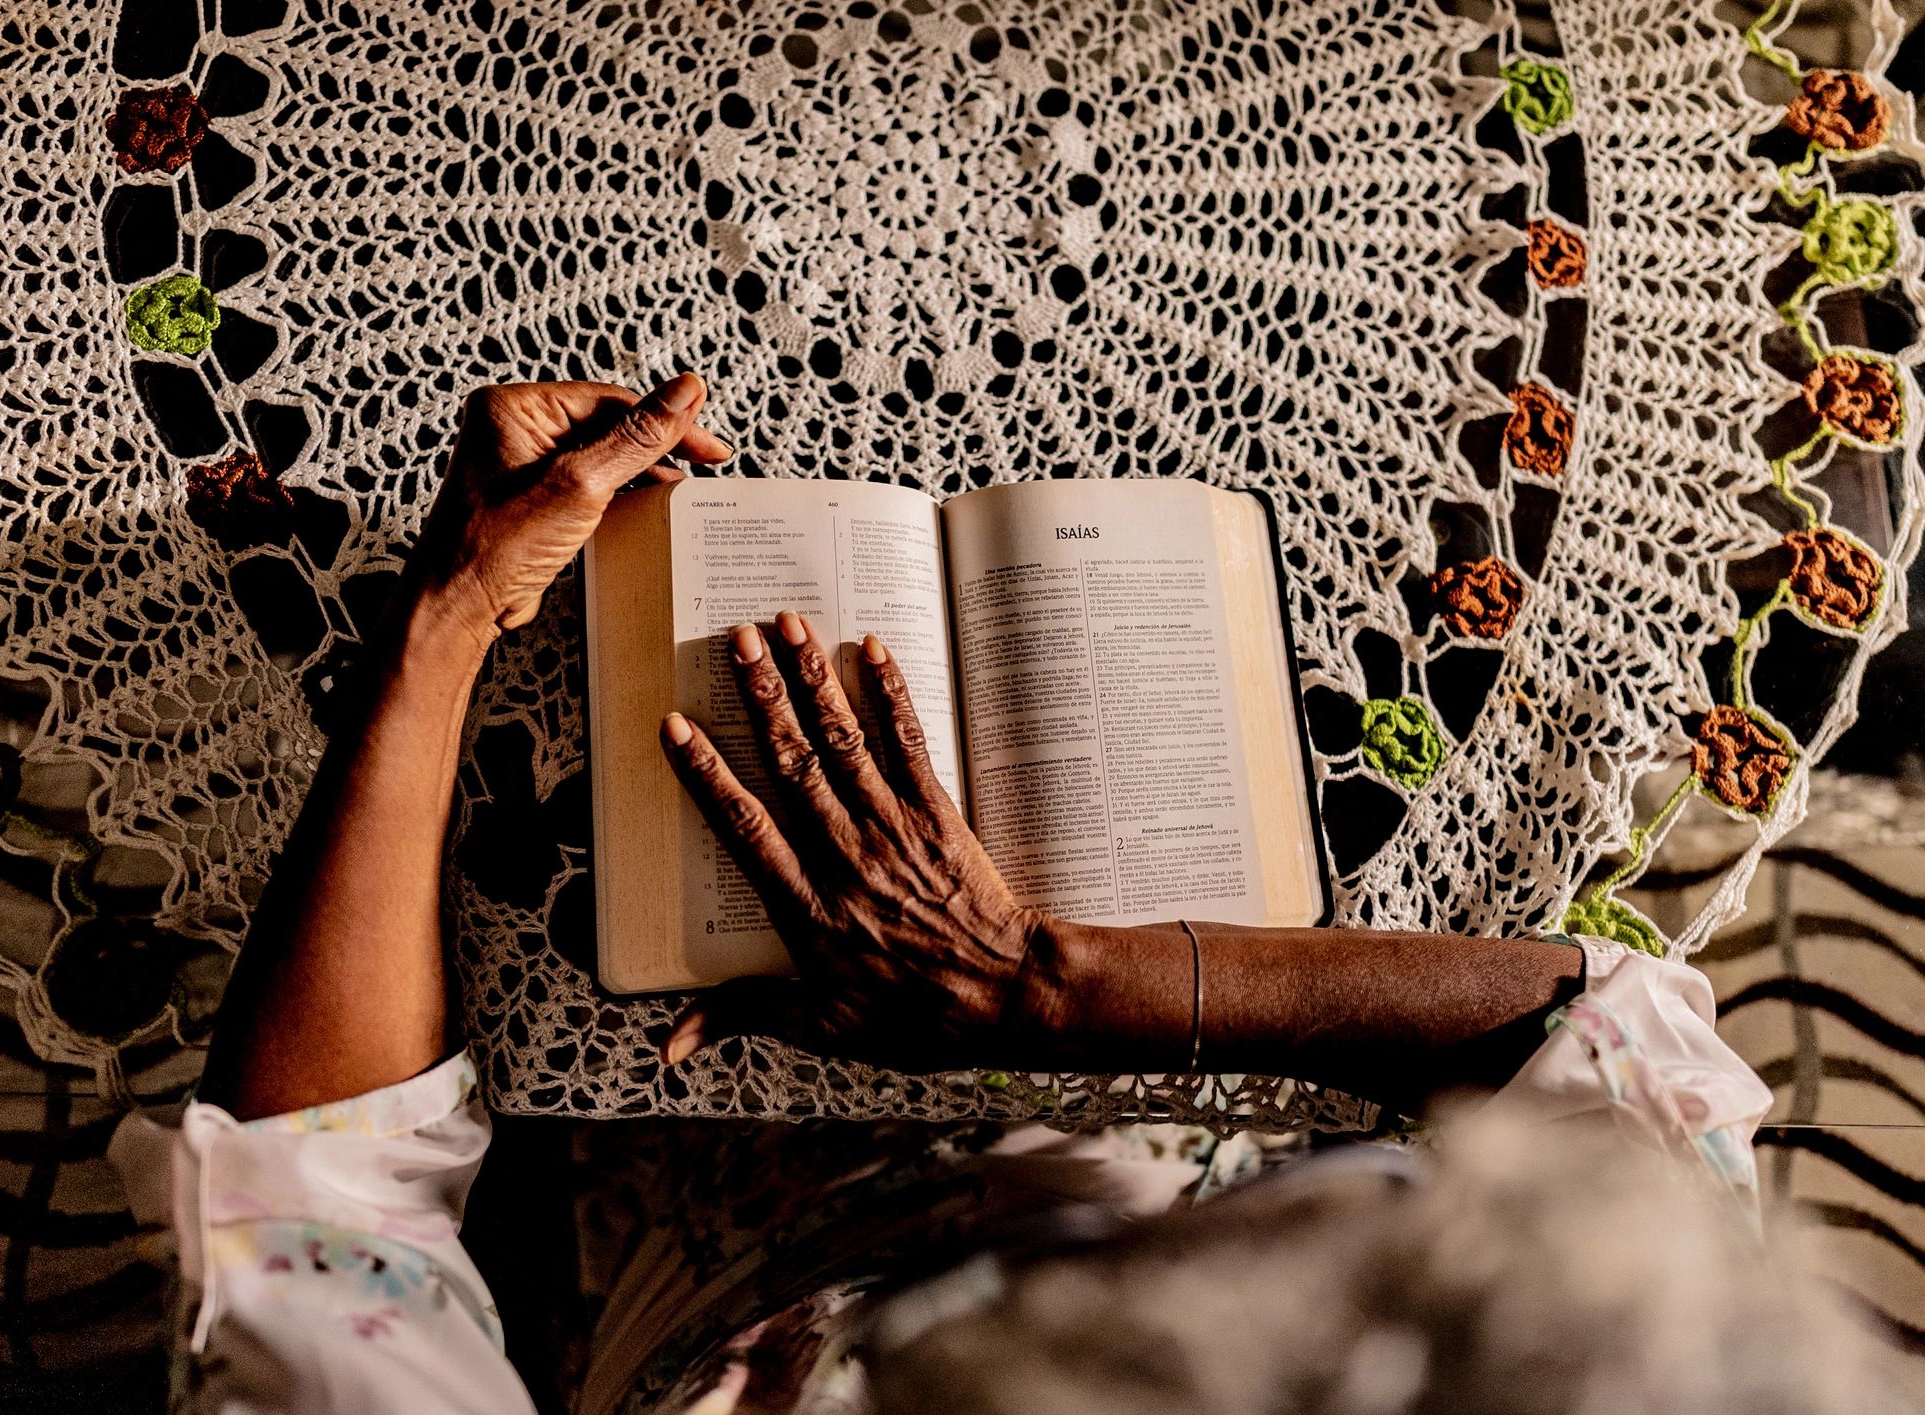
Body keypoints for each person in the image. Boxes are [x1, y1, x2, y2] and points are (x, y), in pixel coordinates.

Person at [109, 375, 1804, 1414]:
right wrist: (1049, 990)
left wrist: (457, 612)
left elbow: (318, 1218)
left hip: (687, 1202)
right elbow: (1605, 1040)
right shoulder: (1642, 1372)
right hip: (1164, 1088)